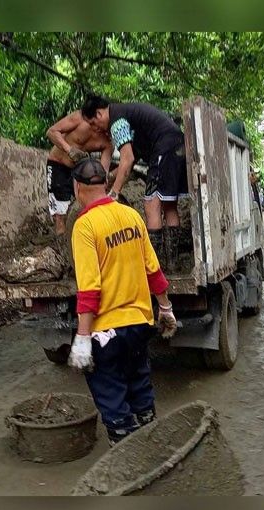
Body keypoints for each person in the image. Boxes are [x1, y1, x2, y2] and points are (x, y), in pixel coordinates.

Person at [67, 158, 178, 445]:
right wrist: (165, 308)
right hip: (140, 323)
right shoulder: (132, 216)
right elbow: (153, 270)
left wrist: (82, 338)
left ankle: (128, 455)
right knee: (140, 387)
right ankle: (153, 445)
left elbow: (89, 289)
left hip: (107, 331)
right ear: (105, 182)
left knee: (112, 397)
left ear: (77, 187)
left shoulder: (84, 225)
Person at [81, 95, 188, 273]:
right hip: (177, 145)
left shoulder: (117, 122)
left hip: (164, 149)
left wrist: (113, 194)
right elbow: (130, 161)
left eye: (93, 123)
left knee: (151, 205)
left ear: (99, 114)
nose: (96, 129)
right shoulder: (127, 114)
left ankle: (155, 268)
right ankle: (172, 266)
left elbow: (127, 159)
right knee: (169, 205)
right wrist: (109, 178)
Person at [45, 110, 113, 235]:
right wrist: (69, 150)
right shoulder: (80, 118)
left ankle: (87, 231)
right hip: (57, 163)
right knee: (60, 212)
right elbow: (51, 132)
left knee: (85, 203)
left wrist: (104, 184)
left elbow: (102, 172)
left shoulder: (107, 142)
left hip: (80, 170)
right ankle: (60, 241)